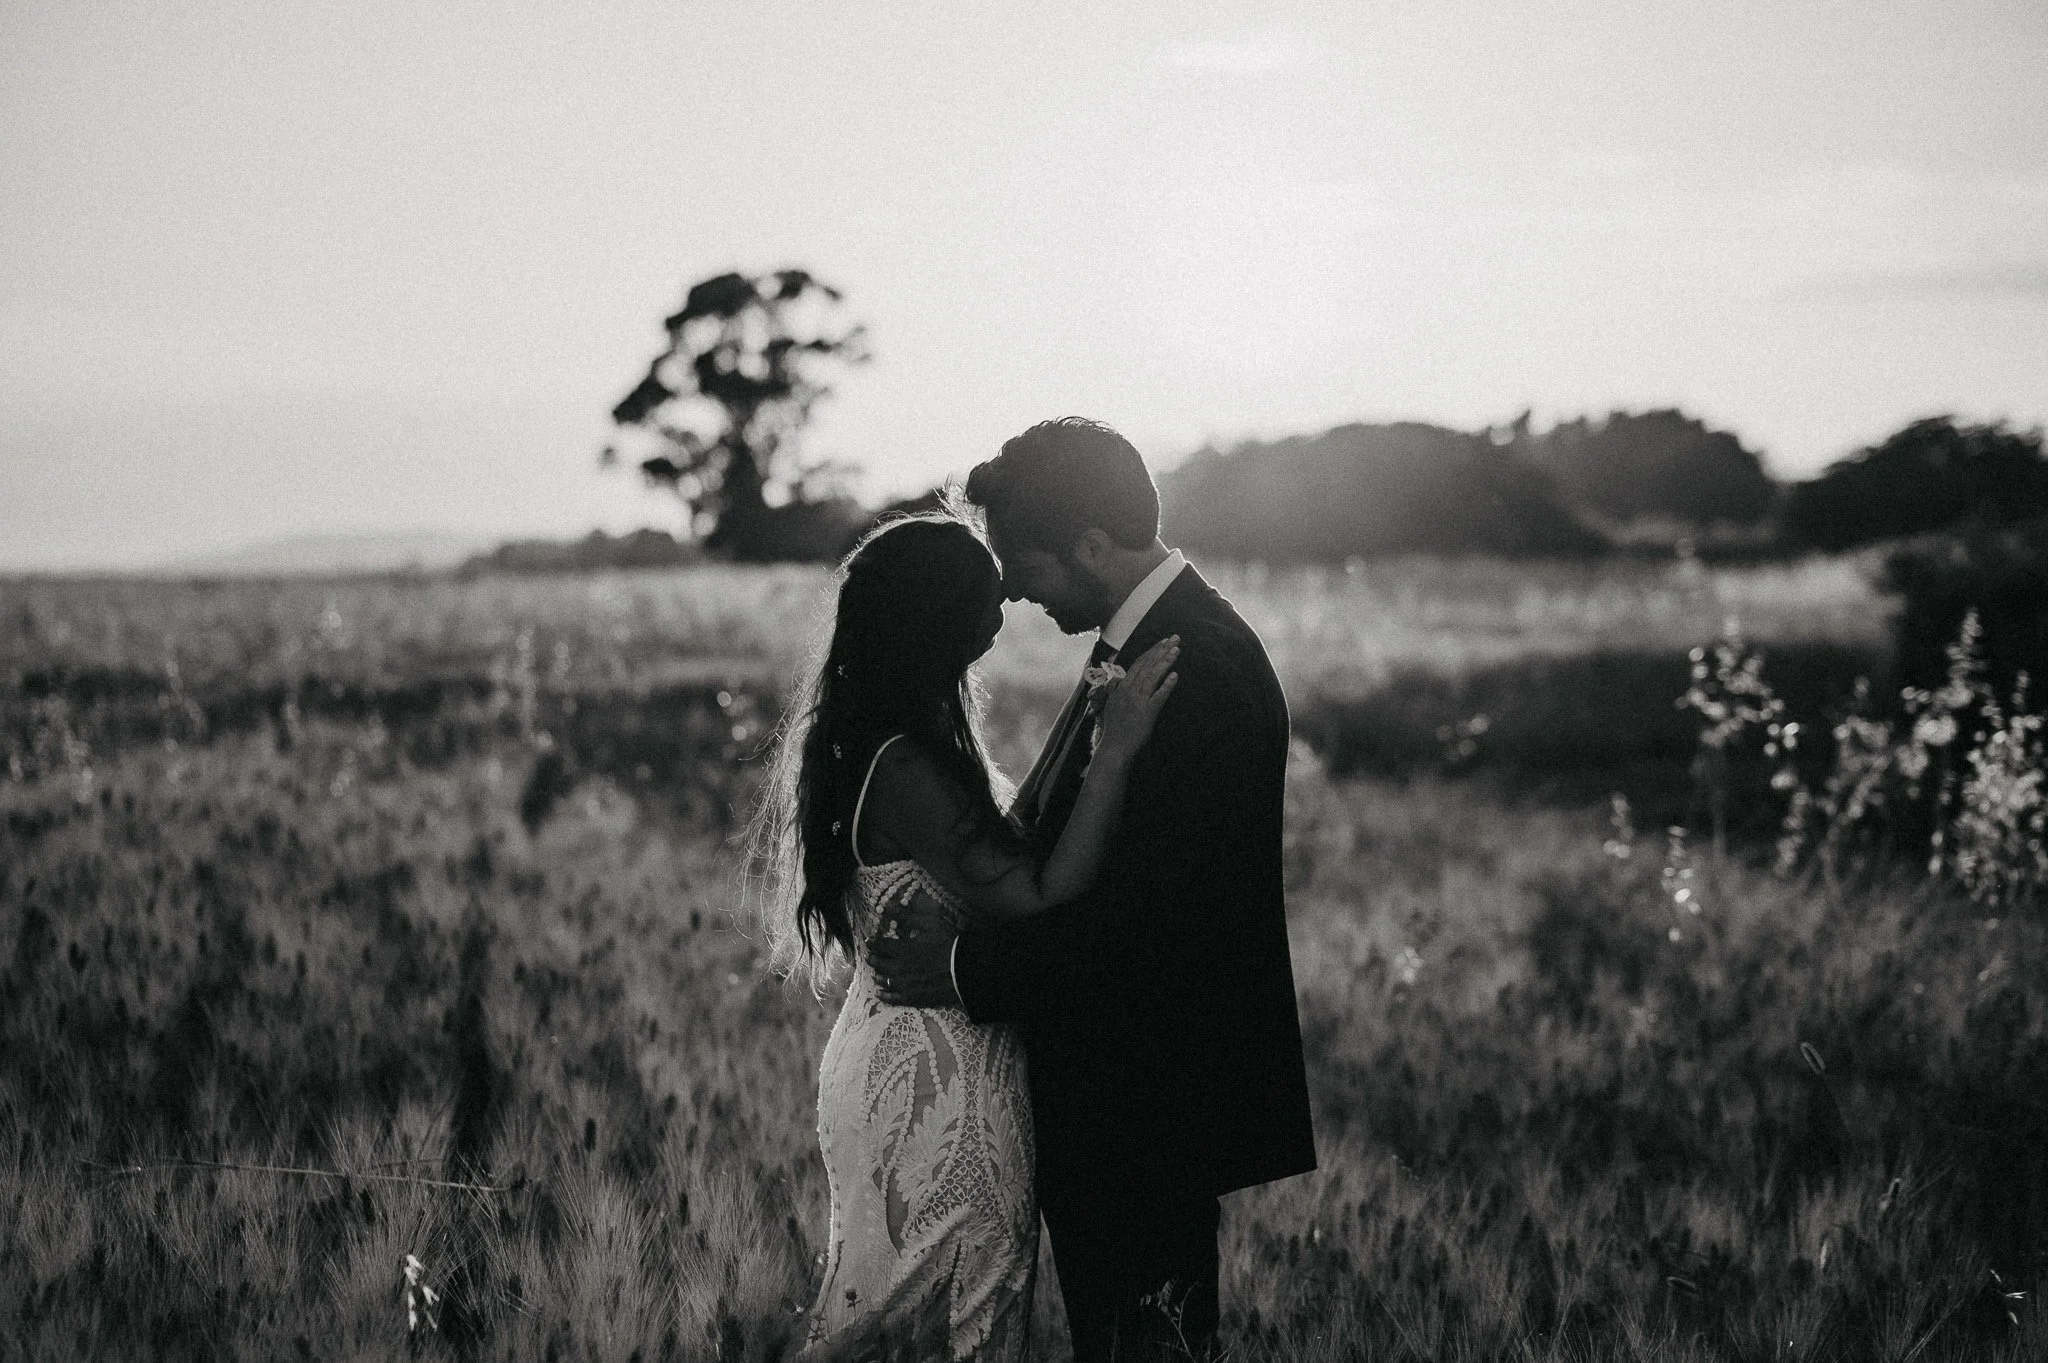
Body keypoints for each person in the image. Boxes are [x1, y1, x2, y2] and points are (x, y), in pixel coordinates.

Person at [868, 417, 1318, 1361]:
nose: (1016, 591)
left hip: (1148, 1098)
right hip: (1112, 1089)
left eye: (1022, 564)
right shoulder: (1147, 640)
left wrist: (959, 968)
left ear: (1090, 545)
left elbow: (1145, 926)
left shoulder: (1199, 670)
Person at [750, 512, 1182, 1361]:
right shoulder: (906, 764)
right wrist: (1118, 749)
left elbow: (994, 849)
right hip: (936, 1067)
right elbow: (1040, 891)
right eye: (988, 590)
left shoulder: (893, 739)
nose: (1009, 596)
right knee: (947, 1311)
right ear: (937, 617)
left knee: (911, 1316)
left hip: (912, 1045)